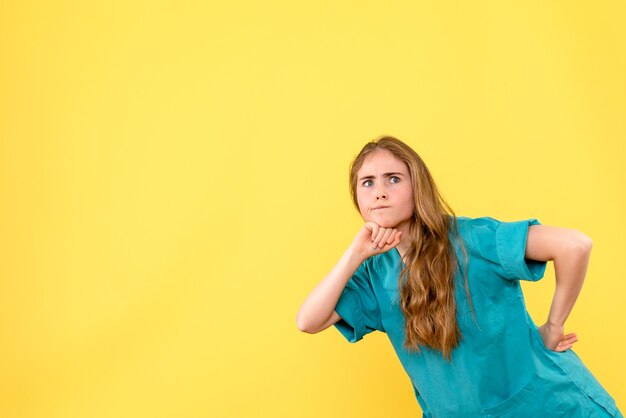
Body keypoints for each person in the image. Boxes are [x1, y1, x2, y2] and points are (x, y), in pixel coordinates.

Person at [296, 135, 622, 417]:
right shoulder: (373, 275)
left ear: (417, 186)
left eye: (393, 178)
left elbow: (575, 245)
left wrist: (553, 326)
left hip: (547, 407)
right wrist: (354, 254)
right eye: (368, 183)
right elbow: (308, 321)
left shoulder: (471, 239)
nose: (379, 191)